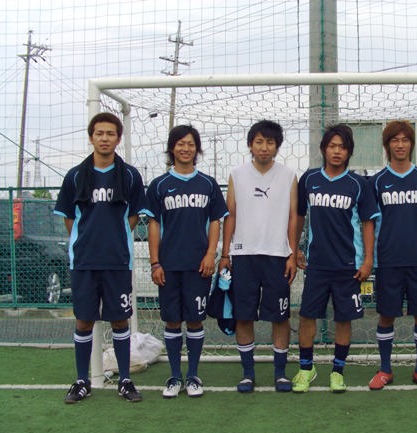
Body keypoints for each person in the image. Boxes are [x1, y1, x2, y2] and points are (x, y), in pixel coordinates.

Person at [54, 112, 146, 403]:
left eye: (110, 134)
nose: (105, 138)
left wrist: (115, 236)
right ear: (91, 137)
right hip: (84, 261)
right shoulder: (75, 175)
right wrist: (87, 240)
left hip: (117, 261)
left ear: (118, 139)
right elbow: (69, 218)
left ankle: (125, 380)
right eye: (99, 133)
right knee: (84, 321)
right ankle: (82, 381)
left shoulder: (130, 175)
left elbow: (134, 215)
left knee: (119, 321)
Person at [292, 124, 379, 393]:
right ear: (323, 149)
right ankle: (306, 368)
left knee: (344, 318)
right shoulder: (309, 179)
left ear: (349, 151)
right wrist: (294, 248)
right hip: (317, 264)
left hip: (348, 266)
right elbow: (299, 215)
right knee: (307, 316)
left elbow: (367, 223)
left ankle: (338, 371)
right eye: (332, 146)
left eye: (342, 147)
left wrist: (367, 260)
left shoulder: (358, 184)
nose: (337, 151)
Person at [145, 125, 228, 399]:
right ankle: (174, 376)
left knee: (194, 321)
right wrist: (155, 263)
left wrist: (210, 254)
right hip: (169, 266)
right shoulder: (159, 185)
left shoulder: (208, 184)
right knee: (172, 322)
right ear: (172, 148)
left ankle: (192, 375)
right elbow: (154, 225)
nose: (186, 148)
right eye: (180, 143)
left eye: (191, 144)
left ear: (197, 148)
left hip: (198, 266)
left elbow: (215, 221)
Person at [218, 120, 298, 393]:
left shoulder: (289, 175)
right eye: (259, 142)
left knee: (280, 316)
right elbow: (231, 215)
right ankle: (248, 373)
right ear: (250, 144)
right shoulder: (237, 174)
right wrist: (225, 253)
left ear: (277, 146)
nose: (264, 147)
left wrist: (291, 253)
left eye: (270, 142)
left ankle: (280, 373)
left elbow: (293, 217)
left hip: (277, 255)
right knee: (244, 315)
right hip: (244, 254)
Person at [368, 120, 417, 391]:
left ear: (412, 144)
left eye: (405, 140)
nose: (400, 145)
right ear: (387, 145)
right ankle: (385, 369)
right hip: (387, 261)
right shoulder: (376, 182)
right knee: (386, 316)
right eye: (394, 140)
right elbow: (371, 222)